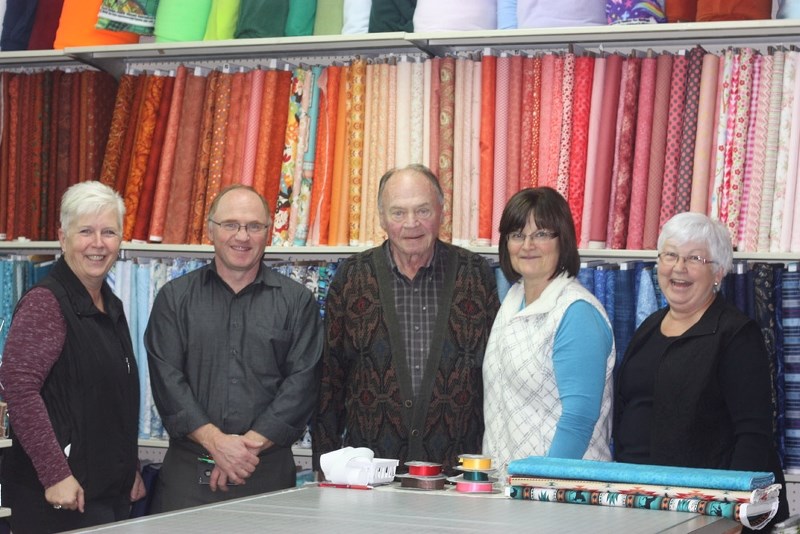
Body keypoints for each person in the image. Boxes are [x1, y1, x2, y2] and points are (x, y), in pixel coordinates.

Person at [144, 184, 322, 512]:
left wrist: (242, 451)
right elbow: (167, 381)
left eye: (254, 226)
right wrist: (216, 443)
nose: (242, 236)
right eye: (230, 225)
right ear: (211, 230)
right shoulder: (174, 299)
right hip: (188, 477)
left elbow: (302, 384)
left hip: (267, 476)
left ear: (268, 233)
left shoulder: (297, 302)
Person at [313, 164, 500, 473]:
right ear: (382, 218)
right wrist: (327, 468)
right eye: (398, 213)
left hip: (457, 476)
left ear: (442, 212)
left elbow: (494, 378)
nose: (411, 224)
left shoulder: (475, 275)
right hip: (369, 475)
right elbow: (329, 382)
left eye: (423, 210)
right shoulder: (352, 277)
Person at [613, 212, 789, 528]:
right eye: (670, 255)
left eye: (695, 258)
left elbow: (753, 437)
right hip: (645, 505)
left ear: (719, 272)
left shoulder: (736, 335)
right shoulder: (649, 328)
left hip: (707, 513)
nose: (678, 268)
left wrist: (729, 515)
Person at [0, 181, 144, 533]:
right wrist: (55, 474)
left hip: (104, 495)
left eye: (109, 232)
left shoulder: (111, 304)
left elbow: (115, 398)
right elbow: (18, 391)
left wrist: (131, 469)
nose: (98, 243)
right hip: (57, 498)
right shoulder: (45, 304)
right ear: (63, 237)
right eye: (86, 232)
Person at [482, 187, 615, 473]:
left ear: (562, 239)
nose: (527, 245)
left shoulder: (576, 313)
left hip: (561, 492)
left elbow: (578, 420)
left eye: (541, 234)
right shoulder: (512, 300)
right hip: (511, 490)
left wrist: (541, 485)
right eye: (517, 234)